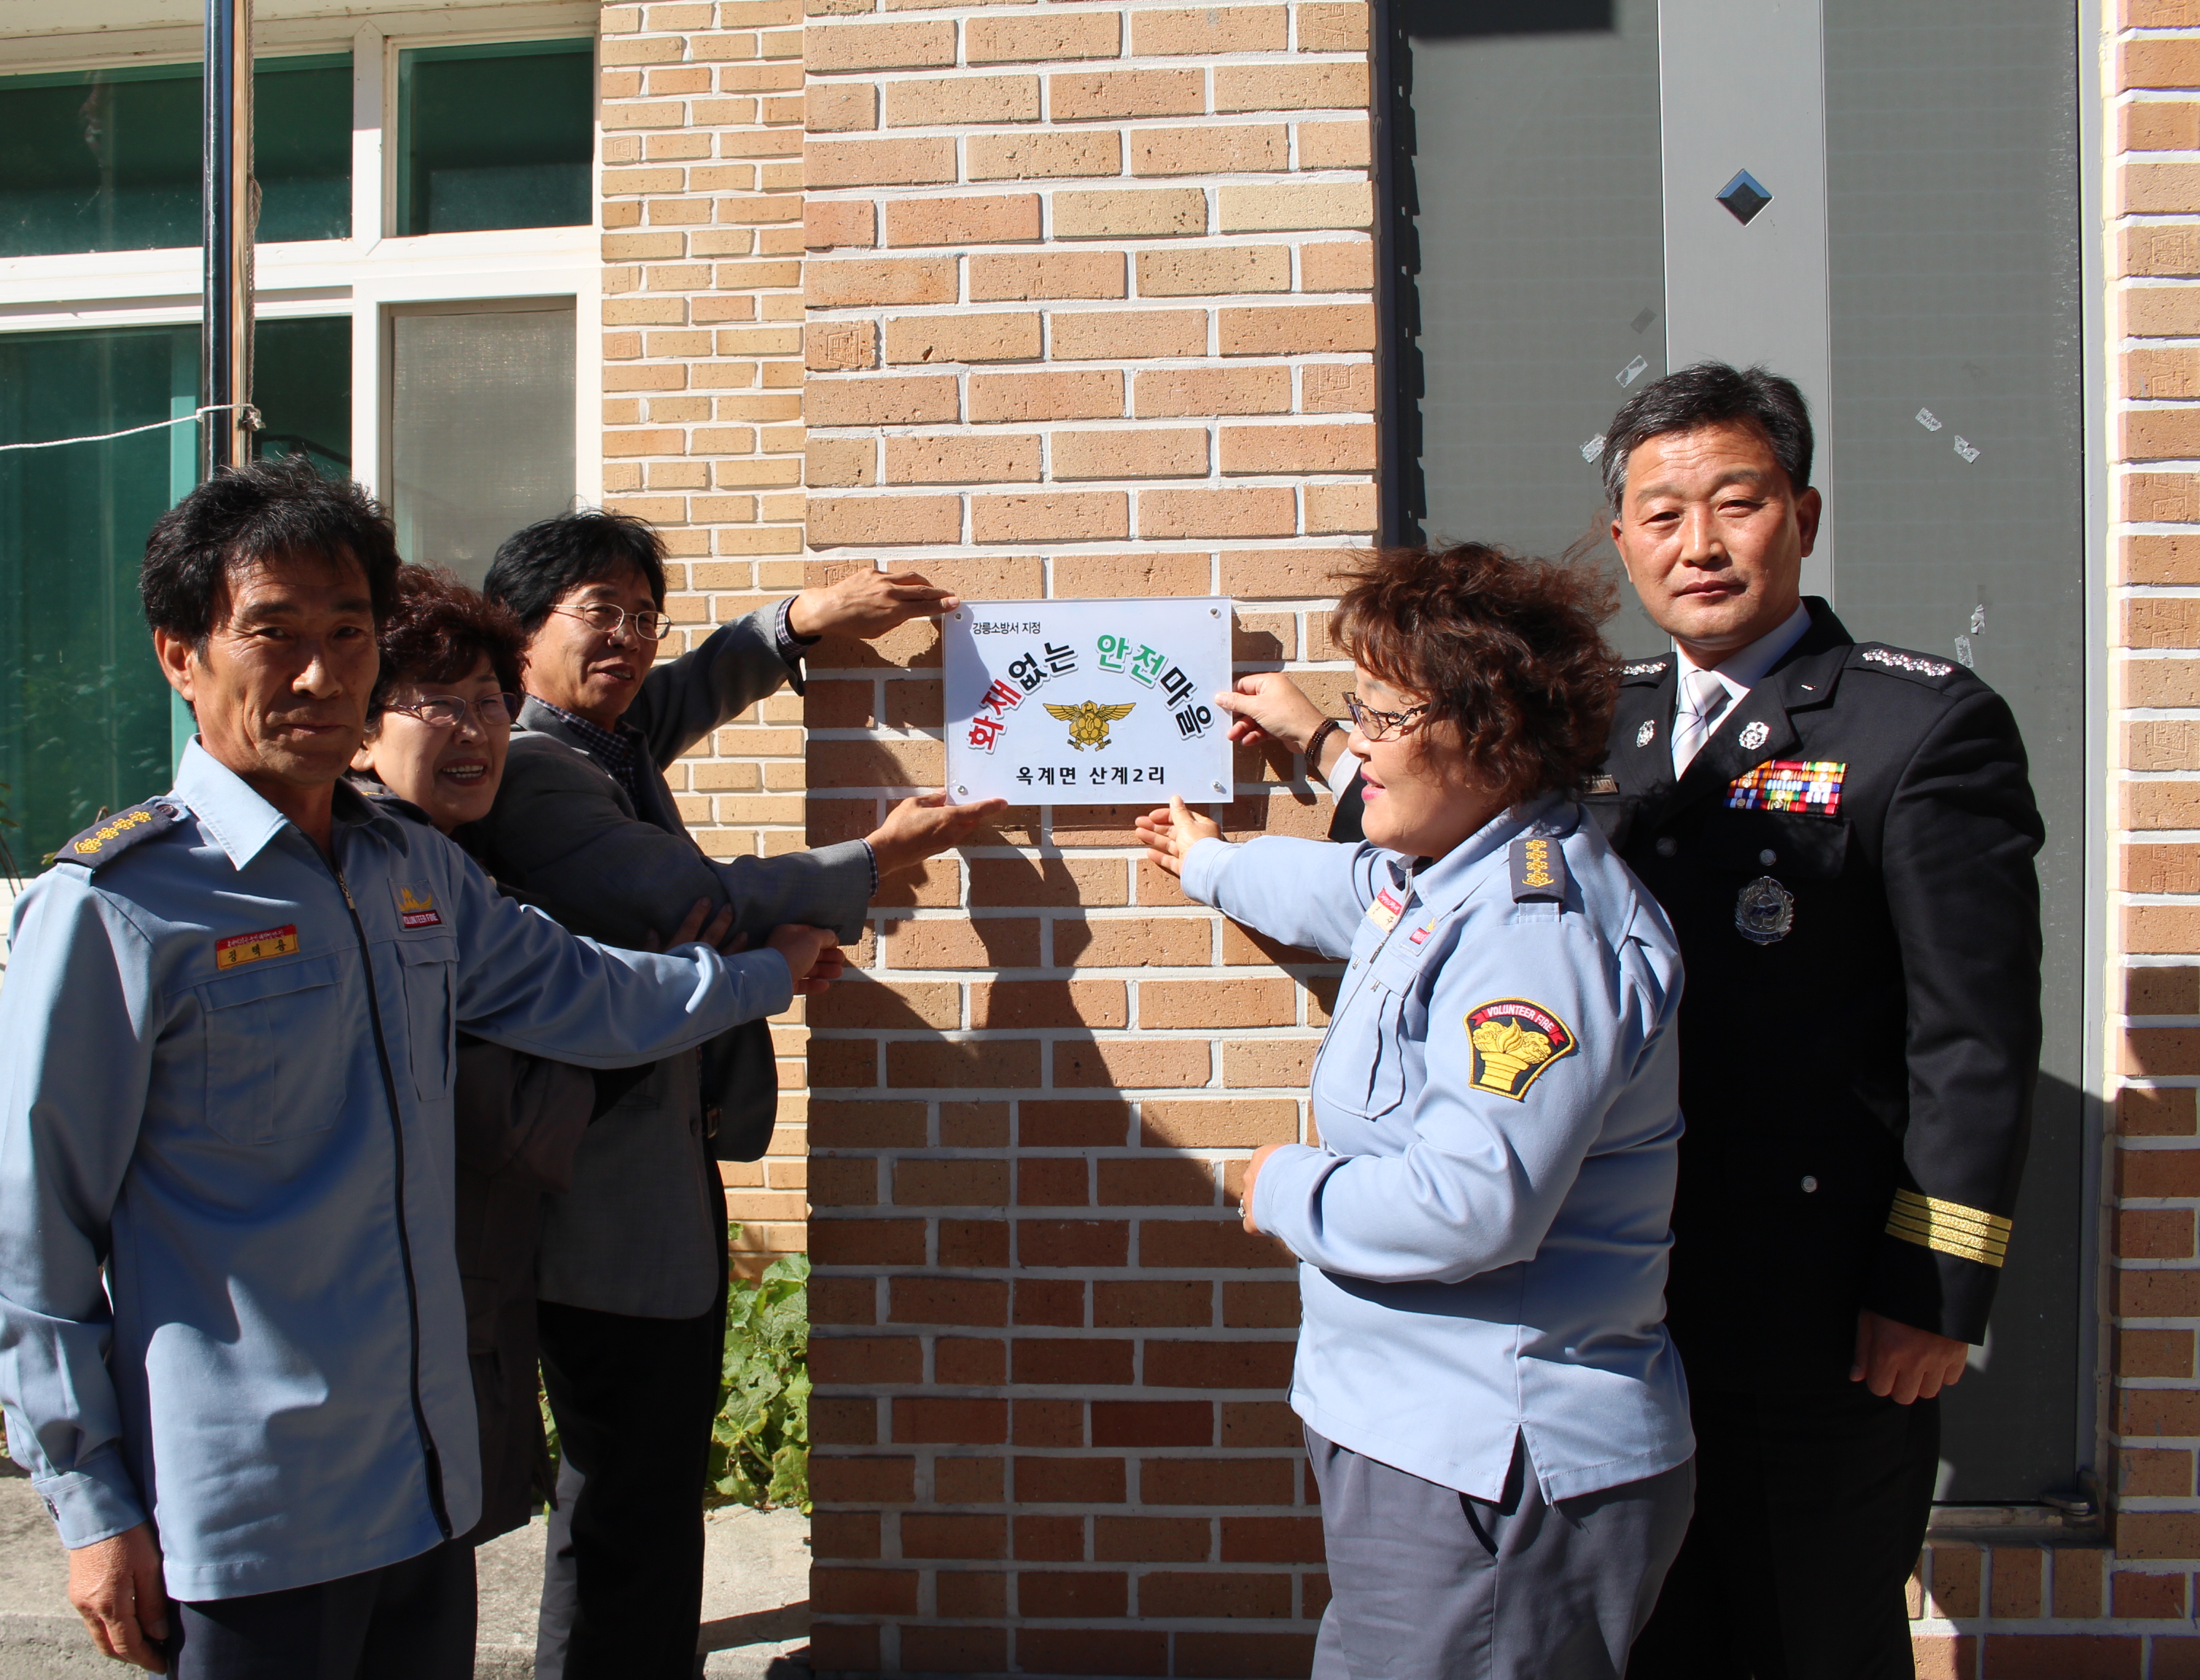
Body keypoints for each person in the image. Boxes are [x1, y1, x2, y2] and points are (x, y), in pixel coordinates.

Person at [0, 462, 842, 1679]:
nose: (320, 675)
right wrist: (92, 1504)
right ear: (180, 656)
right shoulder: (121, 908)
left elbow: (582, 992)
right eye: (273, 634)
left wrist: (759, 976)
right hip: (252, 1521)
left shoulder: (408, 869)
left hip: (421, 1498)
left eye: (348, 633)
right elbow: (26, 1242)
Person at [1136, 543, 1695, 1680]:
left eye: (1384, 718)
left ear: (1495, 734)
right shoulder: (1456, 874)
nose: (1359, 744)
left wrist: (1282, 1185)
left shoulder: (1535, 939)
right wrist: (1210, 862)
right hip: (1430, 1444)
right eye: (1359, 710)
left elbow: (1468, 1207)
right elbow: (1348, 893)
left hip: (1492, 1464)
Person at [473, 511, 1006, 1680]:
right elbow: (685, 892)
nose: (630, 638)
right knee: (629, 1492)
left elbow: (683, 693)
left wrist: (800, 622)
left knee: (643, 1486)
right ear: (519, 633)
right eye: (600, 613)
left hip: (653, 1178)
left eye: (644, 616)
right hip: (600, 1200)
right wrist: (879, 857)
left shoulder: (598, 737)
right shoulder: (535, 768)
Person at [1586, 365, 2038, 1679]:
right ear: (1622, 540)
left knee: (1812, 1641)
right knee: (1643, 1639)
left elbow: (1975, 1040)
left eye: (1738, 504)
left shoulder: (1919, 727)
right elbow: (1442, 824)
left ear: (1805, 515)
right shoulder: (1597, 720)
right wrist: (1321, 752)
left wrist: (1931, 1289)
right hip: (1619, 1300)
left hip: (1820, 1317)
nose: (1700, 544)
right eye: (1662, 515)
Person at [347, 564, 719, 1552]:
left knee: (454, 1552)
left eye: (488, 704)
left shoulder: (448, 856)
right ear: (359, 728)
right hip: (385, 1322)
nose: (474, 731)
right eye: (438, 704)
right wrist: (754, 963)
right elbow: (555, 1044)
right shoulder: (373, 870)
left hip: (466, 1288)